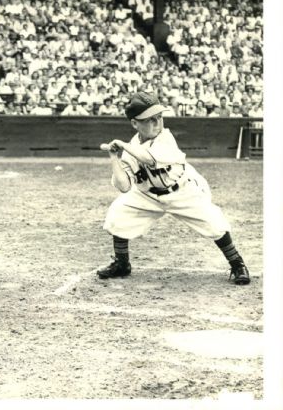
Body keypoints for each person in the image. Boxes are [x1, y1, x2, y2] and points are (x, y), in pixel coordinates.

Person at [97, 91, 250, 285]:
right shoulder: (129, 151)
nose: (157, 123)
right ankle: (122, 263)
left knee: (214, 223)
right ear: (135, 123)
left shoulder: (165, 138)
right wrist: (114, 158)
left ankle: (237, 263)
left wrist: (123, 145)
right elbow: (124, 187)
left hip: (182, 190)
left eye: (159, 117)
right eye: (149, 120)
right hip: (147, 195)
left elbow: (148, 159)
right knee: (118, 213)